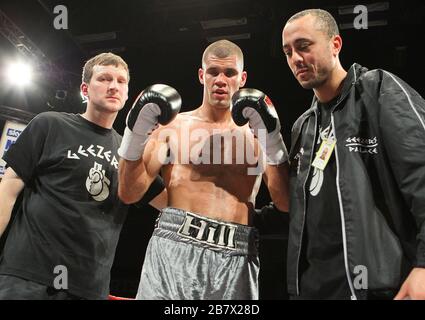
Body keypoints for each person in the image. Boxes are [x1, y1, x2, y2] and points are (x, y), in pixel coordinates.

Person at [118, 39, 290, 299]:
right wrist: (134, 134)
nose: (221, 79)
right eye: (213, 72)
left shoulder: (258, 135)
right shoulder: (172, 128)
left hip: (237, 254)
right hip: (173, 249)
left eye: (229, 73)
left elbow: (285, 202)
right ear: (202, 75)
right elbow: (129, 193)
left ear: (242, 78)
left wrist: (274, 141)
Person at [282, 9, 425, 300]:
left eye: (304, 46)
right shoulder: (303, 126)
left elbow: (421, 175)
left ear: (335, 44)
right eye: (288, 52)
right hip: (313, 290)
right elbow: (297, 211)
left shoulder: (378, 90)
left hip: (380, 288)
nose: (296, 58)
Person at [0, 52, 165, 300]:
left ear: (128, 93)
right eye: (105, 79)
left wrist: (160, 147)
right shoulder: (50, 124)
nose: (113, 86)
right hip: (28, 276)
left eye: (121, 81)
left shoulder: (130, 157)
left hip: (87, 288)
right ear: (85, 89)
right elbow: (8, 188)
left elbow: (171, 204)